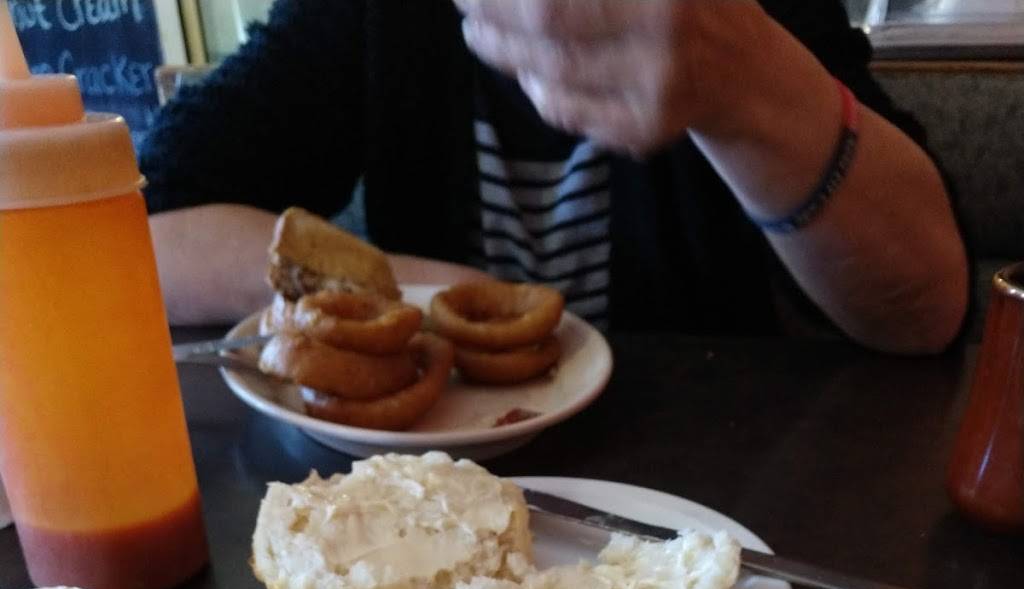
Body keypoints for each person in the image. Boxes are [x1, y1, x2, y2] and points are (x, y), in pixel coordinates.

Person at [143, 0, 967, 354]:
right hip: (432, 497)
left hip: (714, 512)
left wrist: (743, 78)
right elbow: (140, 228)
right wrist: (442, 299)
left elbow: (929, 306)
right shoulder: (375, 15)